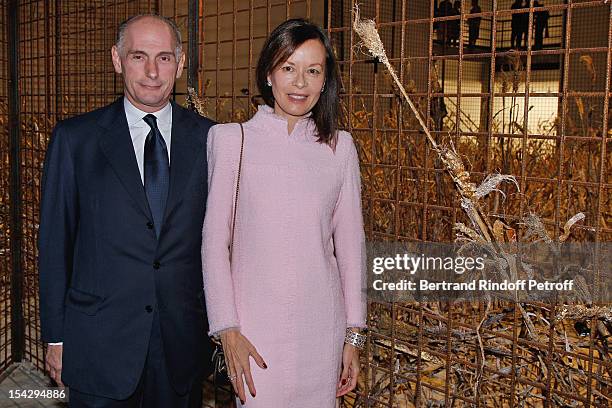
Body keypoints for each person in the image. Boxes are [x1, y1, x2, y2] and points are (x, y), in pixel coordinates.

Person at [38, 14, 215, 407]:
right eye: (139, 56)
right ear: (117, 59)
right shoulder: (75, 140)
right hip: (98, 346)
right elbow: (54, 245)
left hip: (179, 350)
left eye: (164, 58)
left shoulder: (210, 139)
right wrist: (55, 337)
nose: (152, 71)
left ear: (181, 63)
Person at [202, 18, 367, 407]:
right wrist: (227, 330)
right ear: (268, 74)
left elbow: (351, 246)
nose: (300, 83)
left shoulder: (339, 148)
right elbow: (213, 242)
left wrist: (353, 335)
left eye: (313, 71)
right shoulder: (231, 141)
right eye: (288, 68)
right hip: (254, 336)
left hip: (321, 332)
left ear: (325, 81)